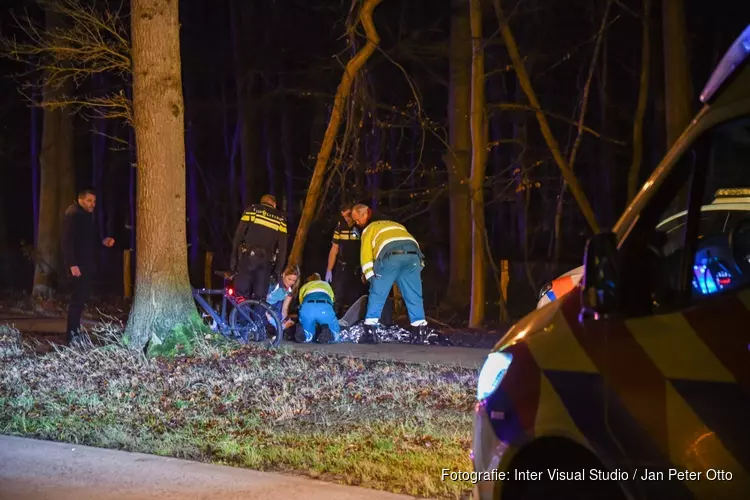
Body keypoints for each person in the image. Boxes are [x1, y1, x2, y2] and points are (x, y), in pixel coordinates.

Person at [351, 203, 428, 343]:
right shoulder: (397, 225)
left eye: (357, 220)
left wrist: (370, 276)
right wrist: (420, 264)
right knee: (414, 294)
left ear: (364, 214)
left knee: (378, 293)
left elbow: (366, 254)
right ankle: (420, 331)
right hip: (414, 256)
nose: (357, 223)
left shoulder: (370, 228)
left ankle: (370, 331)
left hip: (391, 256)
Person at [61, 187, 115, 344]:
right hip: (78, 266)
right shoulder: (73, 215)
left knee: (81, 297)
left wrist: (103, 242)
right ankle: (72, 335)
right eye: (89, 201)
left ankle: (75, 332)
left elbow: (87, 240)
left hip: (85, 264)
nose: (93, 204)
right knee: (77, 299)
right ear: (80, 200)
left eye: (94, 201)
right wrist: (72, 264)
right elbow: (67, 241)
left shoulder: (84, 216)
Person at [231, 194, 288, 301]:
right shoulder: (281, 219)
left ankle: (240, 315)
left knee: (240, 294)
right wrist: (278, 270)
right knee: (260, 298)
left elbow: (238, 235)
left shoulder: (251, 210)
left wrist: (233, 257)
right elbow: (282, 248)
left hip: (247, 257)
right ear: (274, 205)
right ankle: (257, 316)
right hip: (265, 262)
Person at [325, 202, 367, 315]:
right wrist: (329, 270)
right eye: (343, 216)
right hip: (342, 265)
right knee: (336, 294)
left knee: (355, 296)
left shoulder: (362, 226)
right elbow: (334, 248)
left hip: (357, 267)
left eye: (348, 215)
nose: (346, 219)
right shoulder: (340, 226)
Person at [294, 273, 341, 343]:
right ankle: (329, 333)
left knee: (308, 335)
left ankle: (304, 333)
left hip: (307, 307)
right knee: (336, 333)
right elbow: (332, 301)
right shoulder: (326, 284)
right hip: (324, 306)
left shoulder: (304, 286)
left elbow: (301, 303)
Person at [266, 265, 300, 330]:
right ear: (284, 275)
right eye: (289, 279)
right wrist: (268, 315)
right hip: (265, 304)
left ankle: (281, 327)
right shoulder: (275, 283)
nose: (291, 282)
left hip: (275, 306)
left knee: (286, 321)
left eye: (294, 280)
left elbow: (285, 307)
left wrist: (285, 319)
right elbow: (263, 298)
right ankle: (279, 327)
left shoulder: (290, 289)